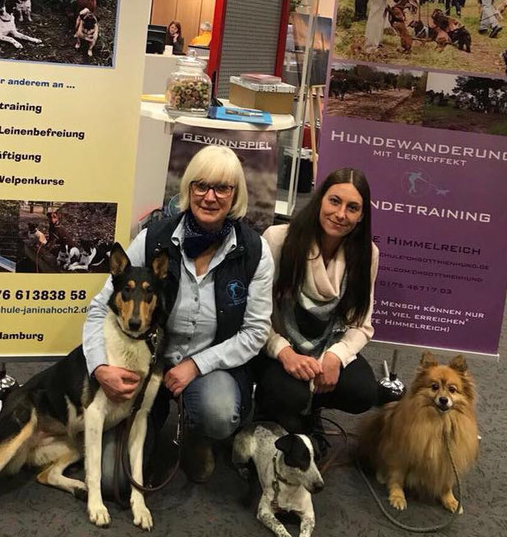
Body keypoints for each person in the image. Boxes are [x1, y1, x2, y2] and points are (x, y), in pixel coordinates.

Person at [83, 146, 273, 482]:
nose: (210, 197)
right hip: (147, 362)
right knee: (113, 479)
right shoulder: (153, 238)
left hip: (209, 367)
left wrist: (195, 365)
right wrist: (99, 366)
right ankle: (147, 420)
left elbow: (255, 332)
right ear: (188, 188)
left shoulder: (255, 251)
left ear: (235, 194)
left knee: (218, 411)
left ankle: (197, 437)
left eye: (222, 188)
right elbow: (101, 307)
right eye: (201, 186)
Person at [255, 168, 381, 438]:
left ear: (361, 216)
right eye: (334, 201)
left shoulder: (367, 254)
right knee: (289, 394)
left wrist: (336, 356)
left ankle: (311, 408)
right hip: (277, 345)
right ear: (319, 200)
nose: (341, 214)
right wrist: (284, 352)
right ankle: (273, 408)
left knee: (363, 392)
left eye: (352, 208)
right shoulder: (278, 240)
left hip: (326, 345)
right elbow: (253, 314)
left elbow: (362, 325)